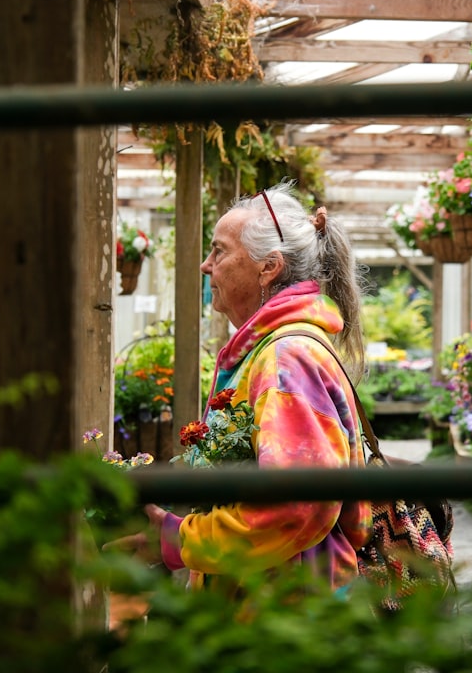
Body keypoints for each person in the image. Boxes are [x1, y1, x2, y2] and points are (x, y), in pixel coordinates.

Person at [144, 179, 372, 595]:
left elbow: (296, 507)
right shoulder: (275, 348)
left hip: (287, 616)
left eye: (220, 250)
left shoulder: (288, 358)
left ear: (269, 266)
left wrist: (176, 539)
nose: (206, 265)